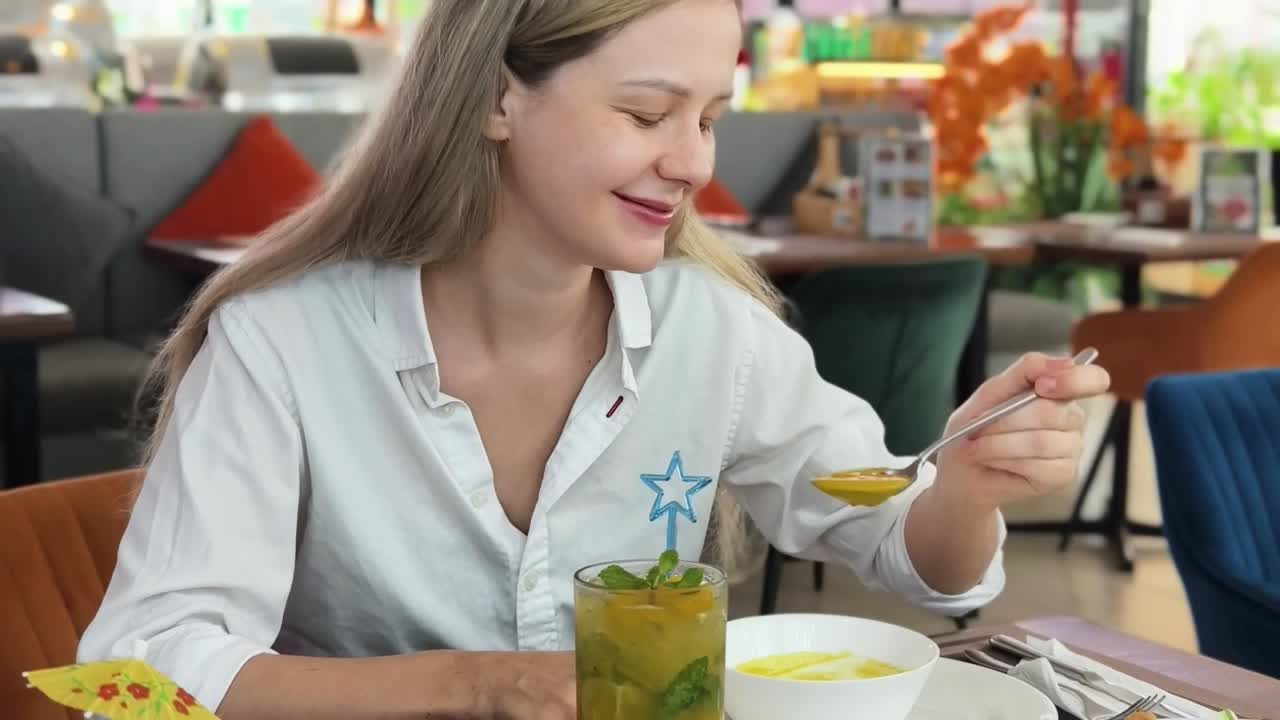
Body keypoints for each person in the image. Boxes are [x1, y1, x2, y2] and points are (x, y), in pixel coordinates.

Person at [78, 1, 1111, 718]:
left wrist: (966, 486)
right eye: (646, 113)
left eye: (708, 119)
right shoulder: (283, 343)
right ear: (495, 97)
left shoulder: (716, 333)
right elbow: (134, 674)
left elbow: (910, 556)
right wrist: (482, 684)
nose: (693, 161)